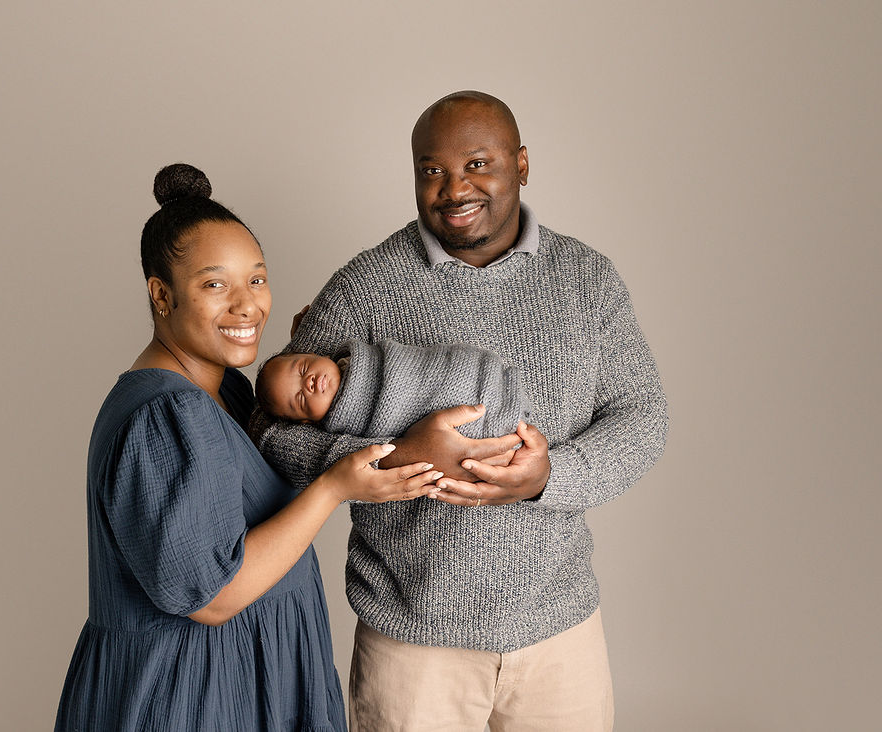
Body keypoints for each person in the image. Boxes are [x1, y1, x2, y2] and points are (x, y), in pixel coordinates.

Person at [253, 92, 669, 731]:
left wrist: (549, 477)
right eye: (431, 170)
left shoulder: (587, 280)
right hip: (413, 643)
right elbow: (272, 429)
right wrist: (393, 460)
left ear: (522, 164)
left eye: (478, 163)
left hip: (559, 634)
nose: (454, 188)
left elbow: (641, 417)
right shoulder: (367, 286)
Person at [53, 163, 441, 732]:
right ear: (161, 295)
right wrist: (334, 487)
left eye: (256, 279)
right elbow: (212, 597)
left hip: (247, 677)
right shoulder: (165, 416)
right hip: (191, 693)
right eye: (215, 285)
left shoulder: (224, 388)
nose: (247, 305)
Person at [254, 339, 531, 438]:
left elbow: (422, 365)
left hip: (460, 371)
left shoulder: (366, 356)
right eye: (300, 398)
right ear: (306, 421)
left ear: (313, 354)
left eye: (303, 369)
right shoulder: (347, 430)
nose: (310, 383)